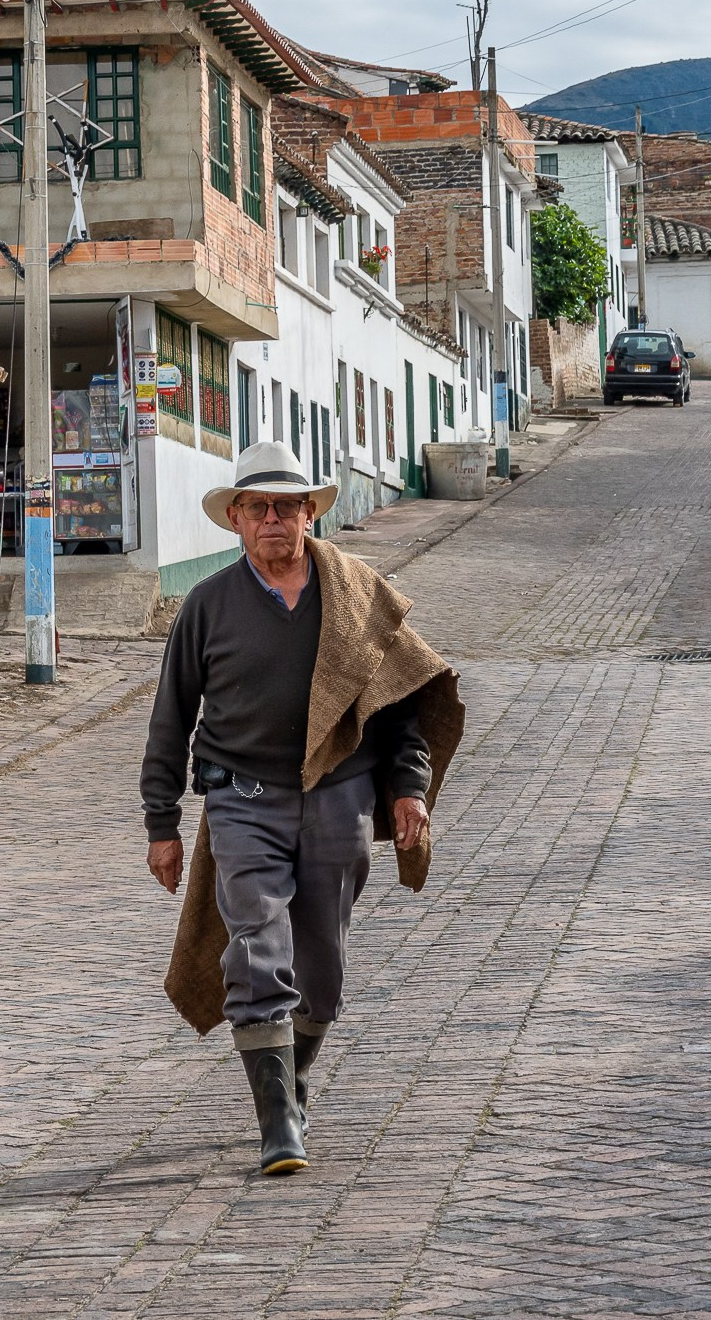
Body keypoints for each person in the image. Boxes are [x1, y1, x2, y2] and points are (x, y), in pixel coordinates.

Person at [142, 441, 463, 1175]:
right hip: (240, 798)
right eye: (258, 507)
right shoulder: (207, 606)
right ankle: (278, 1120)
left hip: (340, 792)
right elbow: (170, 717)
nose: (274, 519)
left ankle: (294, 1076)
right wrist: (161, 823)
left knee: (322, 968)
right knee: (257, 945)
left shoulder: (356, 595)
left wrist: (409, 784)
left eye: (288, 505)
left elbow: (401, 706)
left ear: (313, 512)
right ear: (237, 521)